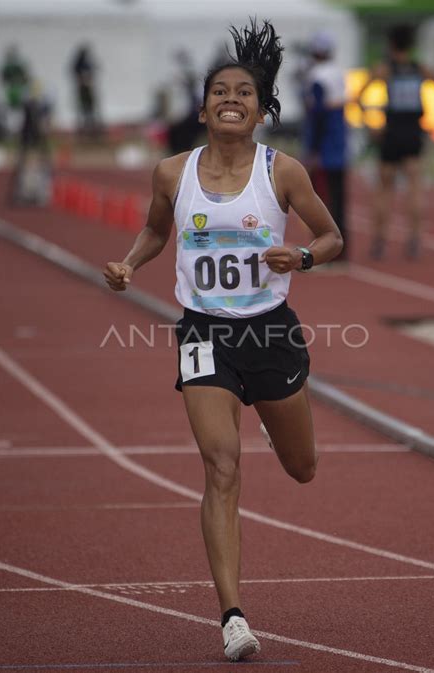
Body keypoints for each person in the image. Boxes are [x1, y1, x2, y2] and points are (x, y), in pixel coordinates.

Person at [104, 20, 342, 662]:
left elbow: (332, 236)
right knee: (221, 466)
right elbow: (157, 232)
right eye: (219, 90)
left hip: (270, 331)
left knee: (303, 469)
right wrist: (131, 263)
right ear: (204, 105)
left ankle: (272, 415)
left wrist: (304, 257)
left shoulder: (282, 171)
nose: (230, 98)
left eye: (244, 91)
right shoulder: (171, 173)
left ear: (262, 110)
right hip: (205, 330)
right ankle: (232, 616)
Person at [358, 24, 434, 260]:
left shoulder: (385, 69)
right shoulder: (421, 69)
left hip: (392, 132)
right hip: (413, 133)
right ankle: (414, 240)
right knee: (415, 189)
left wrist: (371, 125)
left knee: (384, 190)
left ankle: (379, 242)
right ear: (411, 45)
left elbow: (358, 97)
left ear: (390, 44)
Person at [301, 33, 348, 262]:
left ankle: (326, 254)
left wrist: (312, 149)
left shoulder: (316, 76)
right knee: (339, 200)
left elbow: (317, 115)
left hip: (324, 149)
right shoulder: (338, 73)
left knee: (322, 202)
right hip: (339, 146)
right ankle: (341, 252)